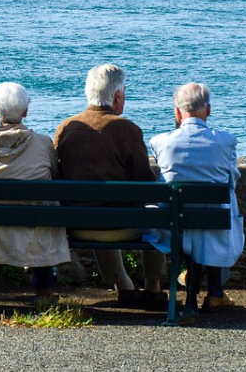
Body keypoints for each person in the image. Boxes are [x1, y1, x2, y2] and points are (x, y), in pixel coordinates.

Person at [53, 64, 166, 308]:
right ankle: (153, 288)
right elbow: (146, 184)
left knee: (95, 208)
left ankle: (124, 286)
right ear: (117, 96)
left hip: (77, 225)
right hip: (120, 226)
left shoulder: (65, 129)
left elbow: (57, 175)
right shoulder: (127, 129)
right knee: (154, 214)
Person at [0, 82, 71, 309]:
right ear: (26, 112)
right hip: (37, 225)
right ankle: (45, 292)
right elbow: (55, 178)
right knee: (42, 214)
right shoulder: (43, 143)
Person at [148, 82, 244, 312]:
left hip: (173, 226)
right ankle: (215, 293)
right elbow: (232, 181)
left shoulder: (159, 142)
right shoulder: (225, 141)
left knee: (192, 222)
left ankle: (196, 288)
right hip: (214, 223)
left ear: (177, 111)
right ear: (208, 110)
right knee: (219, 211)